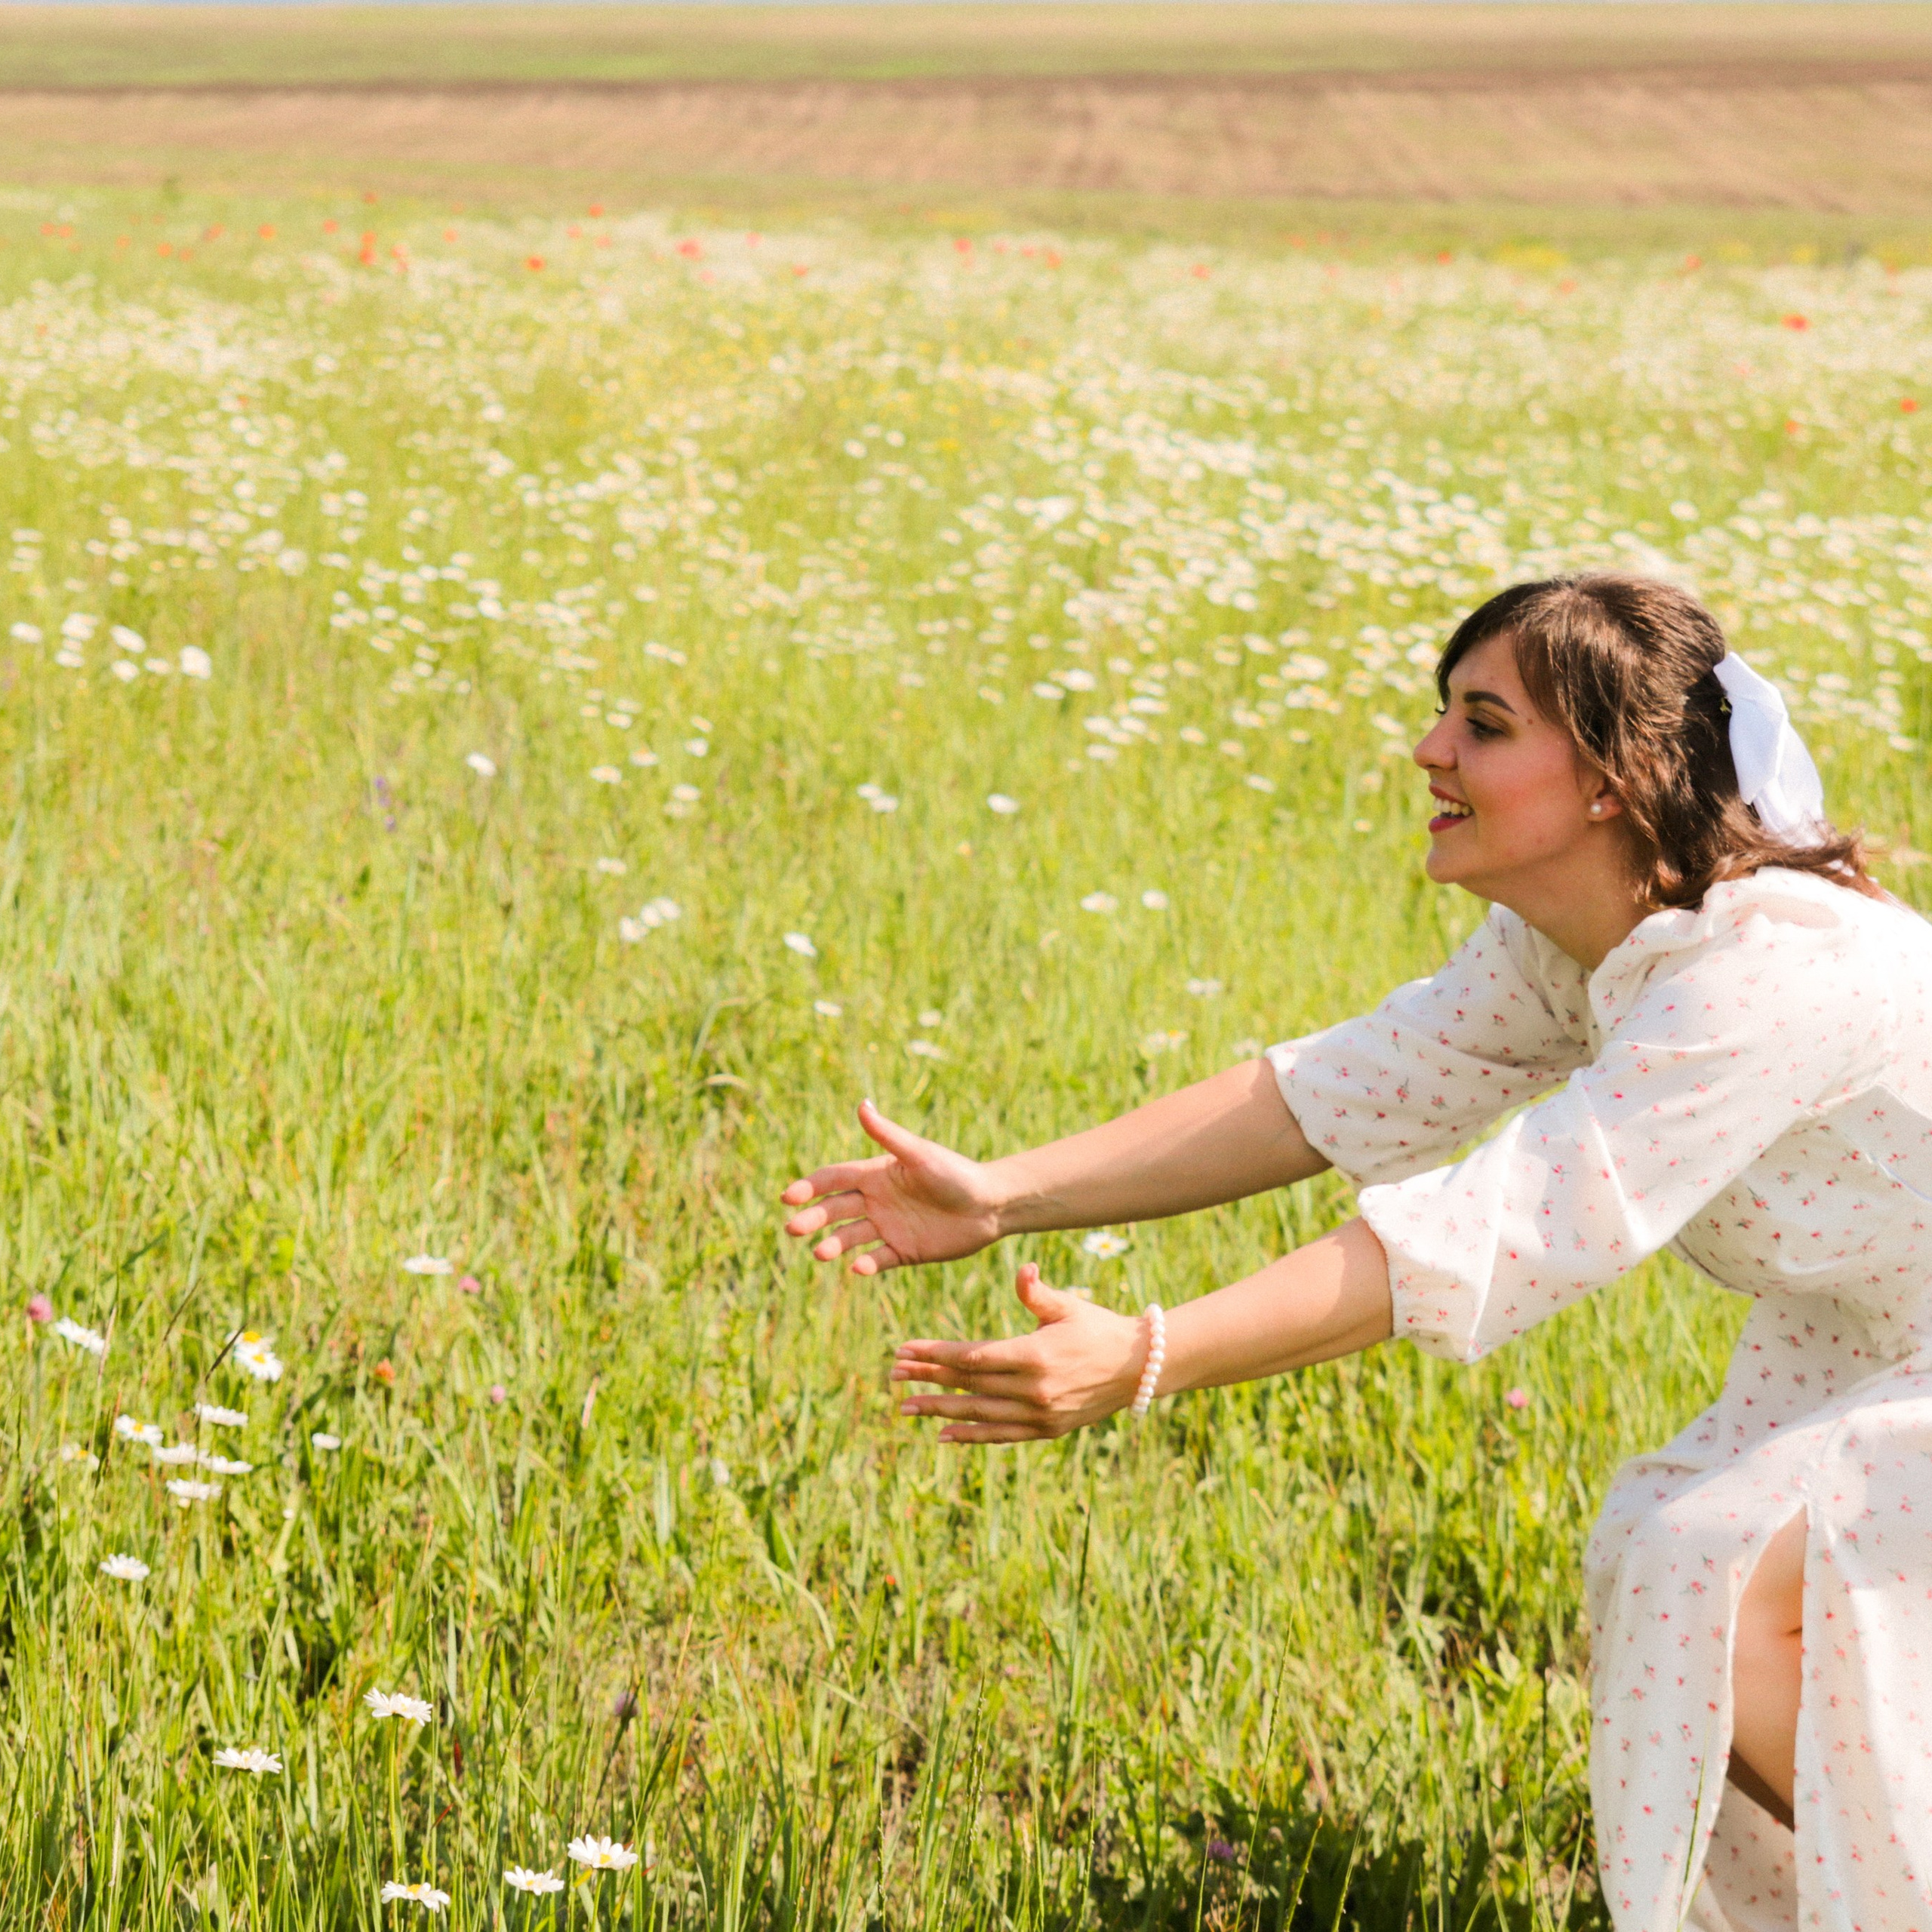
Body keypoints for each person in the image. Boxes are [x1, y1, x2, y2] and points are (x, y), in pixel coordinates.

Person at [783, 574, 1932, 1929]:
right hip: (1870, 1341)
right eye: (1445, 713)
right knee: (1669, 1560)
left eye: (1485, 723)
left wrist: (1145, 1358)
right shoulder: (1576, 946)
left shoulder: (1763, 982)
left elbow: (1494, 1229)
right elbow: (1325, 1094)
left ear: (1615, 781)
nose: (1429, 751)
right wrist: (1001, 1196)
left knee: (1710, 1573)